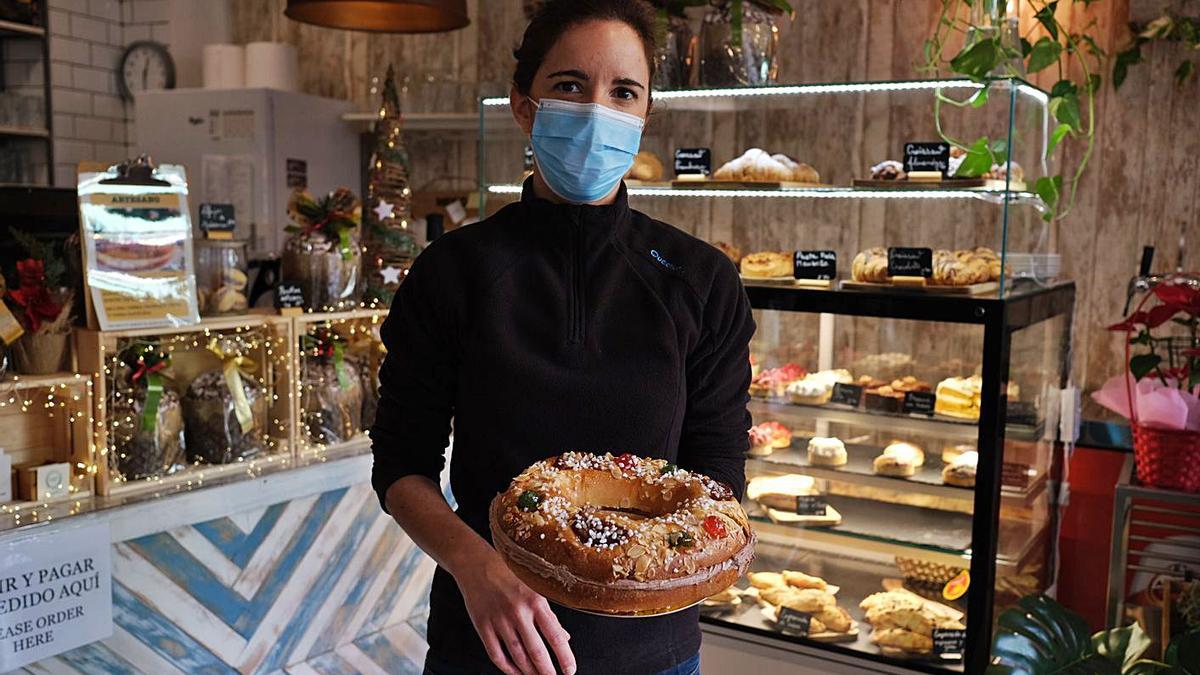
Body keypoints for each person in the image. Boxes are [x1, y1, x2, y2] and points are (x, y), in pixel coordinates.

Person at [370, 1, 755, 673]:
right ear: (525, 105)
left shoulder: (702, 282)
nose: (596, 110)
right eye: (570, 85)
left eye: (623, 92)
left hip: (652, 655)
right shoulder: (454, 273)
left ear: (643, 118)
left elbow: (716, 478)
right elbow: (401, 466)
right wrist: (475, 565)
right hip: (487, 644)